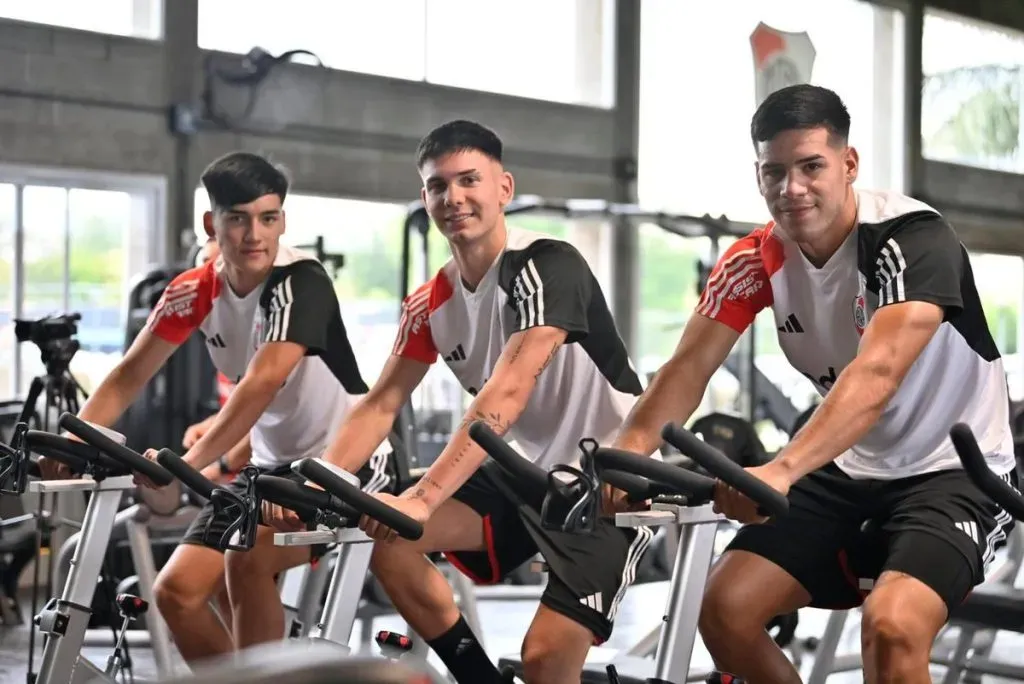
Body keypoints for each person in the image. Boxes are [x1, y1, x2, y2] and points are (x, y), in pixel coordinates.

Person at [609, 83, 1017, 684]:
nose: (791, 188)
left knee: (893, 627)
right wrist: (624, 456)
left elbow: (875, 376)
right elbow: (686, 369)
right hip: (852, 467)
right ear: (758, 176)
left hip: (954, 471)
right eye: (774, 172)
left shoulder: (909, 240)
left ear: (848, 165)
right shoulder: (753, 260)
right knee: (723, 608)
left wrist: (780, 469)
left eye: (811, 167)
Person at [264, 120, 653, 684]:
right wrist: (321, 480)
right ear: (425, 198)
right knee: (386, 537)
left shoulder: (545, 264)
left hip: (605, 479)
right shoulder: (429, 303)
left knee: (545, 660)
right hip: (522, 472)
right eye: (438, 186)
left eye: (469, 180)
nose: (454, 197)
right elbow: (379, 405)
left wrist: (423, 497)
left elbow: (508, 391)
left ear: (504, 188)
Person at [38, 151, 397, 666]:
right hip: (271, 468)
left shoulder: (300, 282)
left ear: (282, 221)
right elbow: (128, 375)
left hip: (344, 464)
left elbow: (261, 384)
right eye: (238, 219)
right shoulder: (195, 290)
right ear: (212, 223)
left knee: (247, 560)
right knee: (176, 594)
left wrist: (191, 466)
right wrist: (75, 440)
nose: (255, 235)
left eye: (268, 218)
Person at [181, 238, 252, 485]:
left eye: (221, 266)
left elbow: (263, 425)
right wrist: (210, 426)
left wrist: (219, 466)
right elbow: (241, 412)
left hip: (295, 470)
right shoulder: (223, 342)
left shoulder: (263, 339)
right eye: (205, 267)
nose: (213, 277)